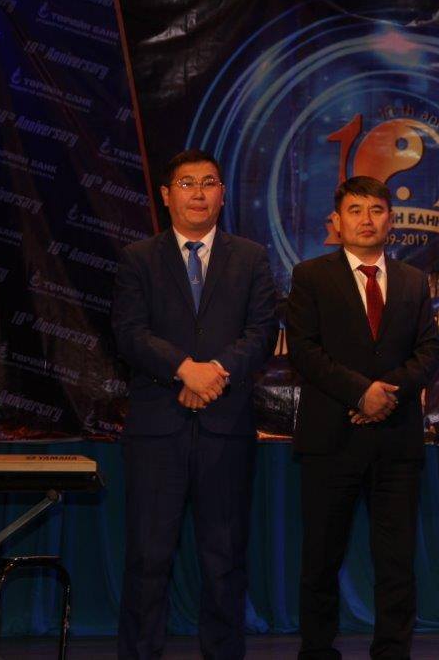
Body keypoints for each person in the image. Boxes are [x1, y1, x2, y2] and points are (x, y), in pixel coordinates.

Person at [111, 148, 278, 660]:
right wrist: (185, 368)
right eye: (187, 184)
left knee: (224, 560)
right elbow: (129, 333)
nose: (199, 193)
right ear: (166, 195)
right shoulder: (138, 258)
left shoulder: (250, 257)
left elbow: (262, 332)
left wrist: (215, 372)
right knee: (147, 559)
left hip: (225, 429)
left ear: (223, 194)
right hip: (157, 432)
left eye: (209, 183)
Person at [286, 175, 439, 660]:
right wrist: (360, 393)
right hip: (331, 440)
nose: (366, 220)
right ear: (337, 222)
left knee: (396, 562)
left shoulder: (413, 280)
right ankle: (317, 651)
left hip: (395, 442)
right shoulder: (310, 276)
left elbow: (430, 350)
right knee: (321, 559)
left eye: (376, 210)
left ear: (390, 220)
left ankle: (392, 651)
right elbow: (305, 352)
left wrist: (385, 395)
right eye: (355, 210)